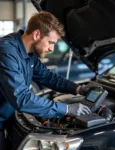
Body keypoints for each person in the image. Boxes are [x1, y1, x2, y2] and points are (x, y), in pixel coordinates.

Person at [0, 11, 96, 149]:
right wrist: (67, 109)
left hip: (7, 118)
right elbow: (22, 99)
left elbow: (47, 77)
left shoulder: (29, 53)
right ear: (37, 34)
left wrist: (78, 89)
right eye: (51, 42)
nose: (52, 48)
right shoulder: (7, 51)